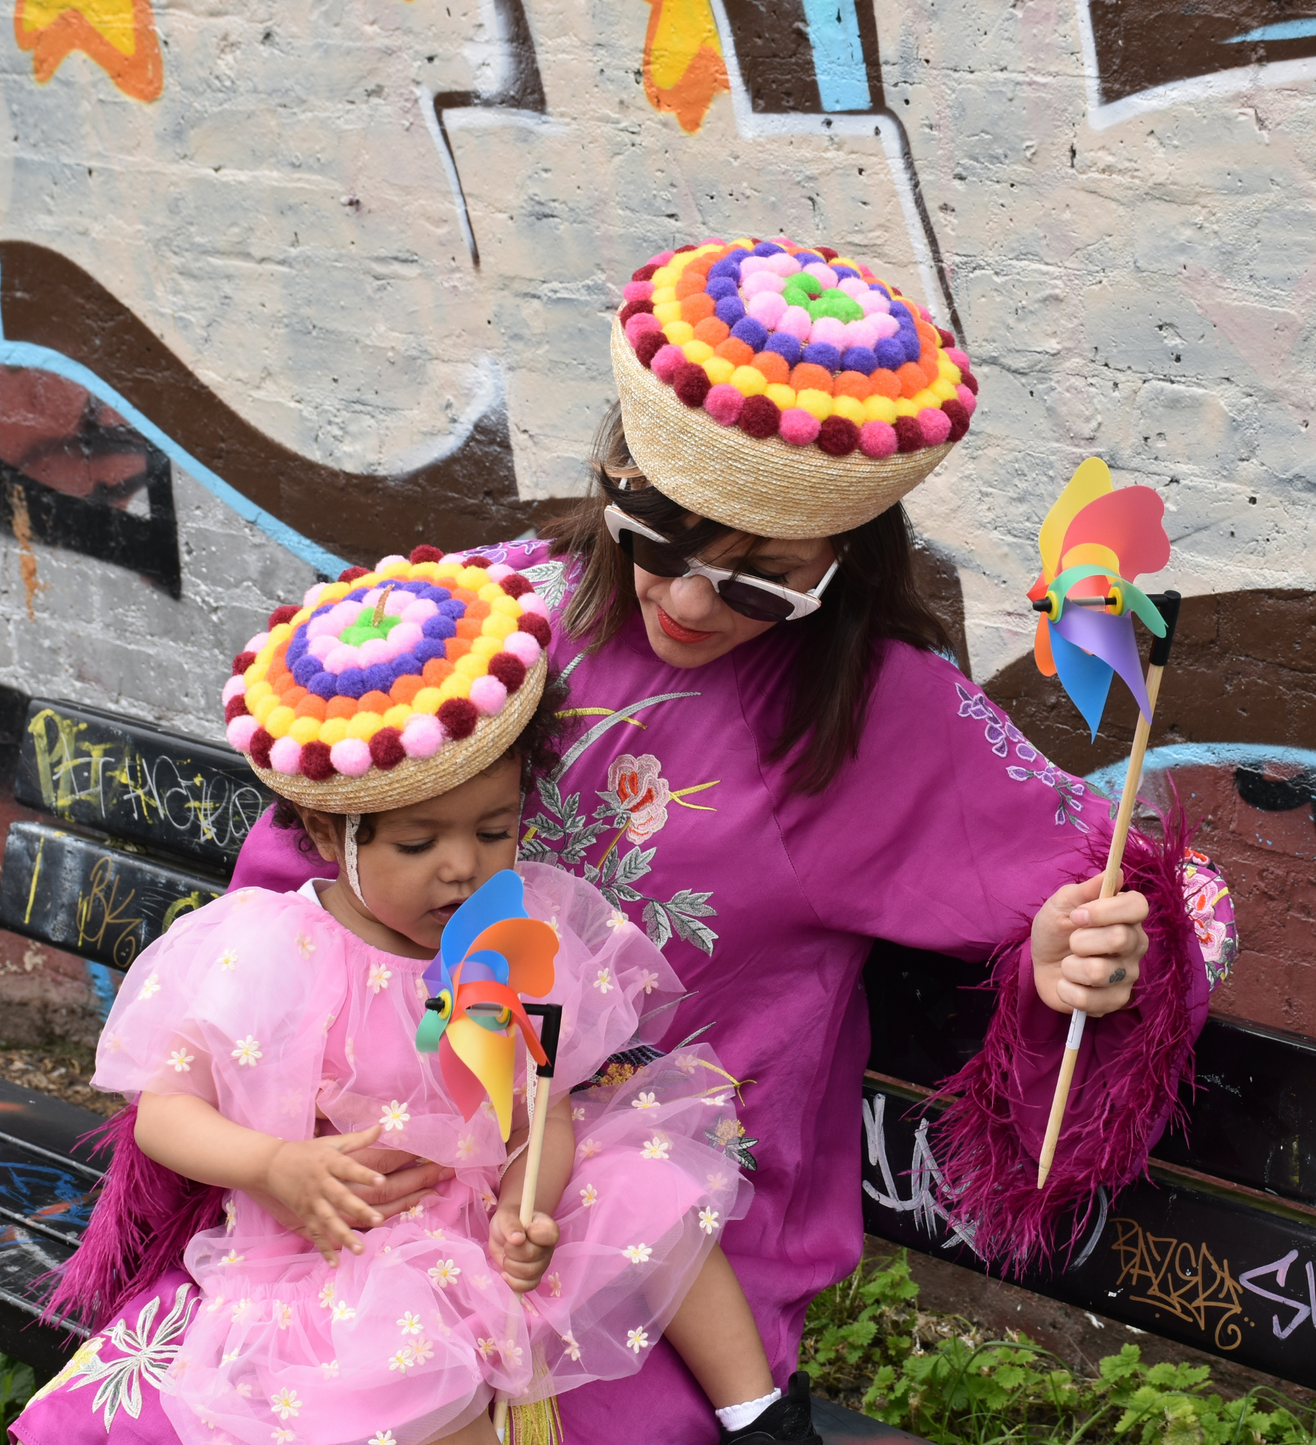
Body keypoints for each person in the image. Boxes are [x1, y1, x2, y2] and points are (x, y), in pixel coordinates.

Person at [24, 232, 1236, 1445]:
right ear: (615, 467)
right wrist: (292, 1148)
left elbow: (1169, 885)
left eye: (761, 578)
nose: (690, 601)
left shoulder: (880, 718)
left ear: (846, 559)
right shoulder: (498, 615)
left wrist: (1074, 953)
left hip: (645, 1230)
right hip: (365, 1180)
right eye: (657, 530)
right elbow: (314, 851)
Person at [14, 555, 821, 1445]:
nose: (462, 865)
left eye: (492, 829)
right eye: (416, 840)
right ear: (328, 831)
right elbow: (165, 1113)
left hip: (489, 1201)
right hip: (351, 1236)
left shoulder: (517, 928)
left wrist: (528, 1202)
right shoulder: (274, 948)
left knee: (646, 1181)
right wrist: (273, 1167)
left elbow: (546, 1104)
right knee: (399, 1386)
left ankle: (763, 1416)